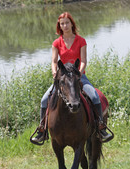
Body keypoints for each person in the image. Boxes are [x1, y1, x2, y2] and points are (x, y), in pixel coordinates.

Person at [32, 12, 111, 143]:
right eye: (62, 23)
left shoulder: (81, 41)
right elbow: (54, 61)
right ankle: (42, 131)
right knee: (44, 99)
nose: (65, 25)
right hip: (63, 79)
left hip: (79, 77)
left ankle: (101, 128)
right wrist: (54, 72)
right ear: (60, 26)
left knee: (95, 96)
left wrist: (79, 73)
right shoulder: (56, 43)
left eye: (67, 22)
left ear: (72, 24)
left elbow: (84, 60)